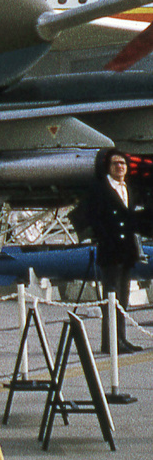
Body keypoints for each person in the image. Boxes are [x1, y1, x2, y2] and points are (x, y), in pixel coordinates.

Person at [80, 149, 148, 354]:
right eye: (116, 164)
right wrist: (105, 237)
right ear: (108, 167)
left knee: (123, 298)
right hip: (110, 251)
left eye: (123, 164)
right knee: (111, 297)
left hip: (126, 250)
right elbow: (93, 217)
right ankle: (109, 342)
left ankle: (121, 339)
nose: (120, 167)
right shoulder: (100, 189)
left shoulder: (128, 188)